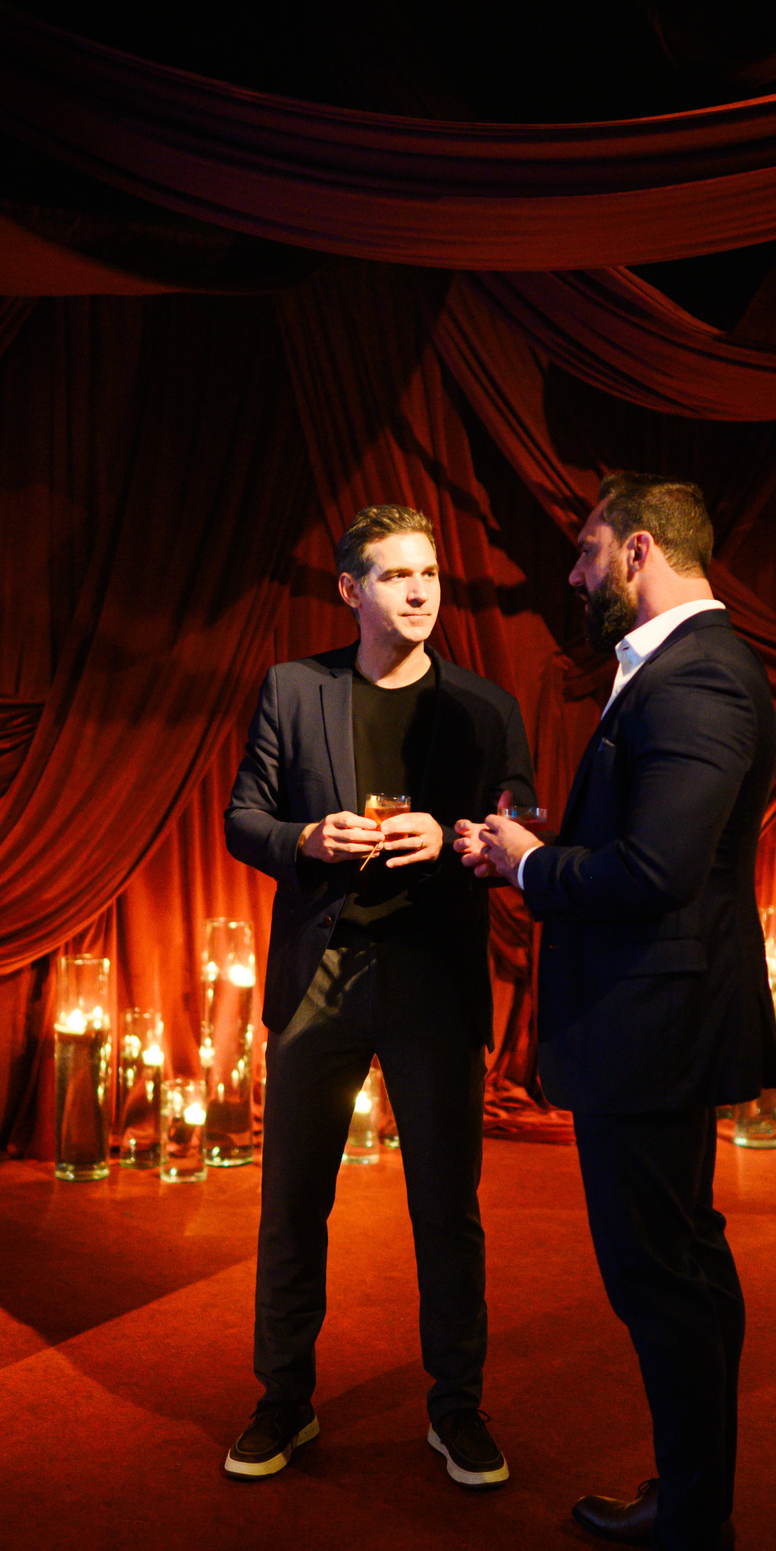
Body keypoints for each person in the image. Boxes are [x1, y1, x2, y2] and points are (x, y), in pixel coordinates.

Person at [460, 473, 776, 1551]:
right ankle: (689, 1506)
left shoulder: (698, 673)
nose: (575, 572)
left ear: (640, 548)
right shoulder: (677, 667)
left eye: (588, 551)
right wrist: (537, 846)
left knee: (664, 1282)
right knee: (684, 1269)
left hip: (655, 1027)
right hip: (657, 1019)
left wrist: (526, 864)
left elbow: (657, 871)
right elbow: (651, 848)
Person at [223, 503, 535, 1489]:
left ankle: (457, 1407)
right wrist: (305, 840)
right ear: (350, 590)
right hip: (320, 975)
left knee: (446, 1206)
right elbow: (243, 817)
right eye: (396, 575)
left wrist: (457, 836)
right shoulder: (293, 687)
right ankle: (284, 1399)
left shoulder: (484, 703)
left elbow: (523, 813)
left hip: (433, 978)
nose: (418, 592)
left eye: (429, 574)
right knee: (293, 1203)